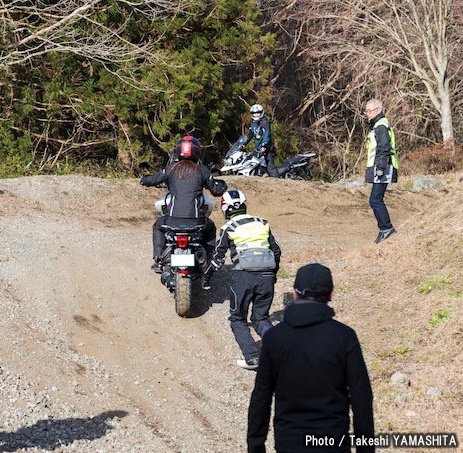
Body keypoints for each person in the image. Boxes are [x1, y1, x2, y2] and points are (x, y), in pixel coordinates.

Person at [247, 263, 375, 453]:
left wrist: (256, 447)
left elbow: (261, 397)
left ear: (295, 294)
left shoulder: (275, 337)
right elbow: (361, 398)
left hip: (289, 444)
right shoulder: (344, 337)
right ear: (331, 294)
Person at [202, 189, 281, 370]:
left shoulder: (228, 228)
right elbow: (276, 251)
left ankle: (252, 357)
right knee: (261, 318)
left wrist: (206, 278)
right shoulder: (262, 223)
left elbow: (217, 259)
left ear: (225, 210)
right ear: (244, 205)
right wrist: (273, 274)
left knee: (238, 319)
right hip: (267, 275)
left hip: (243, 276)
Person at [141, 136, 227, 273]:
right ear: (197, 152)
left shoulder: (171, 169)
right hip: (196, 221)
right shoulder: (202, 170)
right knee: (210, 227)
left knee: (158, 225)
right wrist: (223, 185)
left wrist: (144, 180)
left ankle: (158, 258)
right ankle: (209, 258)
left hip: (172, 220)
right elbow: (216, 191)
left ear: (178, 151)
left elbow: (154, 179)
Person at [364, 99, 398, 243]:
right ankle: (385, 228)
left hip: (382, 168)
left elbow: (384, 148)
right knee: (375, 200)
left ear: (378, 110)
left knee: (375, 200)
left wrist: (380, 169)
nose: (367, 114)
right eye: (366, 111)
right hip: (380, 167)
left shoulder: (381, 126)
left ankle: (386, 228)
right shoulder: (378, 125)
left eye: (369, 111)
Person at [239, 104, 278, 178]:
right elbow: (249, 135)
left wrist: (264, 145)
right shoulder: (253, 124)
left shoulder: (264, 122)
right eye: (254, 113)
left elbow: (267, 134)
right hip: (259, 150)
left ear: (261, 113)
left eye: (258, 113)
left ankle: (279, 182)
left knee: (270, 167)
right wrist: (243, 144)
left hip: (268, 149)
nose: (256, 115)